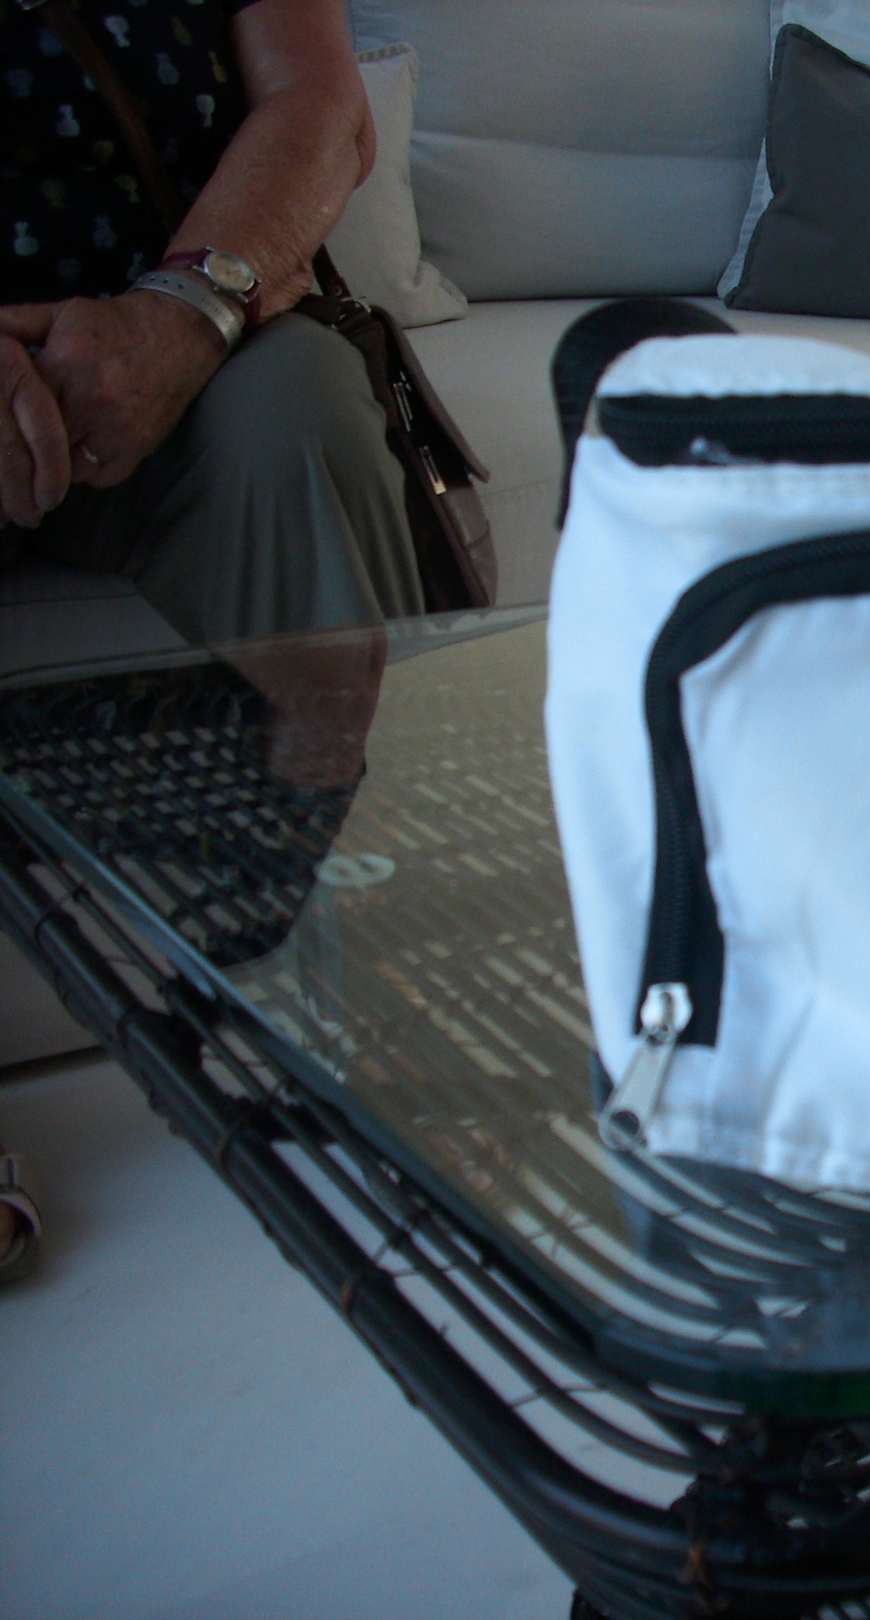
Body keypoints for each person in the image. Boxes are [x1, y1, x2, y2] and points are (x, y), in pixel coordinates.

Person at [3, 0, 422, 1284]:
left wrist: (183, 315)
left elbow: (318, 106)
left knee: (301, 417)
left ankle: (388, 976)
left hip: (177, 330)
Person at [2, 0, 424, 646]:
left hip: (191, 332)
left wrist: (181, 317)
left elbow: (318, 104)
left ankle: (361, 715)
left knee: (298, 402)